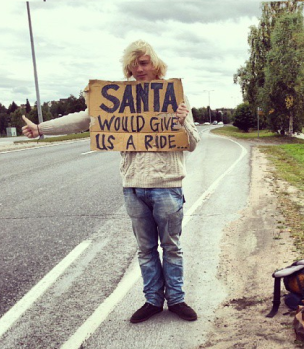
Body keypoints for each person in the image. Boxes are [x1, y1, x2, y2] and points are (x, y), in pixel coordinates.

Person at [21, 39, 201, 324]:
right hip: (132, 187)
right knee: (145, 250)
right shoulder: (120, 96)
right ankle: (153, 300)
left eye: (143, 63)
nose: (138, 69)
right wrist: (41, 128)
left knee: (171, 247)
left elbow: (192, 143)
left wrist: (180, 121)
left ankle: (176, 299)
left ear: (155, 63)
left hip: (167, 185)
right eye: (133, 65)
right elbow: (84, 119)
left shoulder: (173, 95)